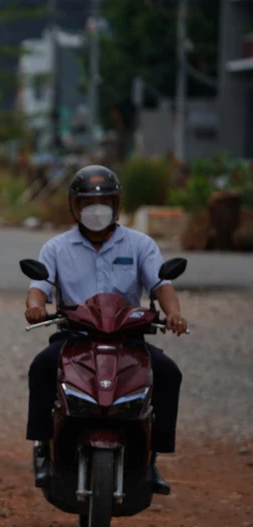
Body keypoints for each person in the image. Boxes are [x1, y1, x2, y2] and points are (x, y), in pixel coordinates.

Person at [25, 165, 187, 495]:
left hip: (127, 338)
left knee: (168, 373)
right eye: (87, 203)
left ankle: (152, 459)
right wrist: (35, 305)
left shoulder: (140, 245)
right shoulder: (56, 247)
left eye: (104, 202)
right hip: (75, 337)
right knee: (42, 367)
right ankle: (43, 449)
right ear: (74, 206)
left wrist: (174, 313)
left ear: (117, 204)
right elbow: (38, 286)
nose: (95, 210)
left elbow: (161, 284)